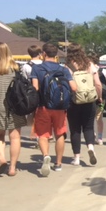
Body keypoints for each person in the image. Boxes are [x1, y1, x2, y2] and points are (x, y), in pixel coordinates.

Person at [31, 42, 77, 176]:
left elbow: (35, 88)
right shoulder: (63, 69)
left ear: (43, 54)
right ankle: (58, 163)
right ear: (56, 54)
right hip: (60, 107)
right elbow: (74, 87)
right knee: (59, 134)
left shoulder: (37, 69)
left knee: (43, 135)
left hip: (43, 106)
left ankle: (46, 156)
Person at [0, 43, 27, 176]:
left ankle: (2, 158)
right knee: (15, 137)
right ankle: (12, 167)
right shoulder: (16, 67)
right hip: (14, 105)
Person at [66, 43, 102, 166]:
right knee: (88, 126)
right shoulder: (90, 64)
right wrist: (99, 97)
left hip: (74, 100)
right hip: (89, 100)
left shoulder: (67, 66)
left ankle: (76, 157)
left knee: (75, 129)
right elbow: (98, 84)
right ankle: (91, 147)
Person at [21, 45, 43, 141]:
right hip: (44, 92)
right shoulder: (44, 64)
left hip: (31, 92)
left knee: (34, 114)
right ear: (39, 53)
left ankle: (35, 133)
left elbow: (24, 80)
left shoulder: (25, 66)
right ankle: (44, 134)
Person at [88, 53, 106, 145]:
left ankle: (92, 135)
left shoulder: (89, 69)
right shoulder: (103, 70)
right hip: (102, 97)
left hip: (91, 96)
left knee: (89, 117)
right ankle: (100, 138)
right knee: (99, 117)